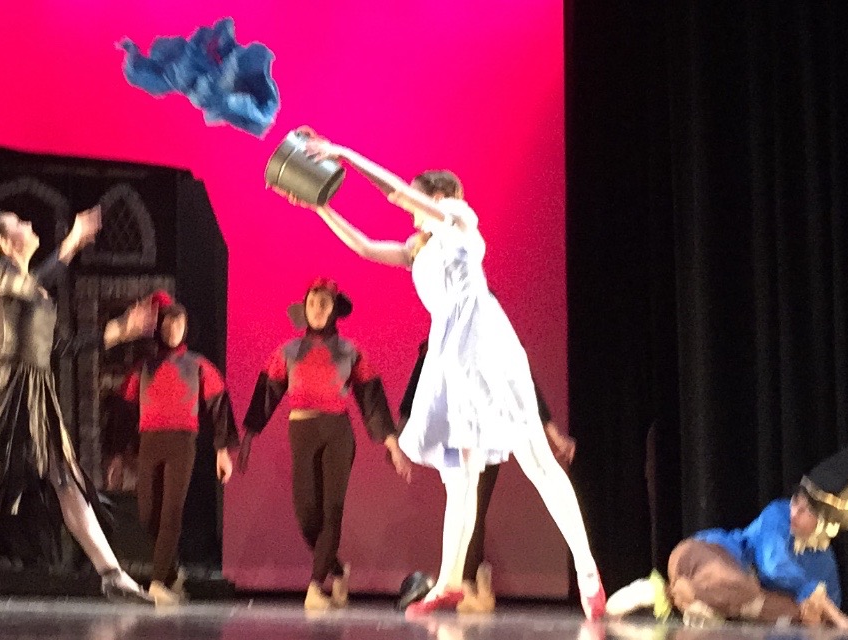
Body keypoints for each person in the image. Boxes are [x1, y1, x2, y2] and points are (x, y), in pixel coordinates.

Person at [278, 128, 604, 619]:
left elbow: (396, 193)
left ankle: (587, 571)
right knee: (461, 476)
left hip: (485, 343)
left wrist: (343, 153)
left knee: (537, 460)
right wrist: (319, 206)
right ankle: (451, 580)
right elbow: (365, 247)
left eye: (421, 197)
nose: (412, 208)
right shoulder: (419, 248)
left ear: (442, 196)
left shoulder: (461, 221)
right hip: (452, 357)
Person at [0, 206, 151, 603]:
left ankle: (112, 574)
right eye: (20, 223)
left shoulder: (33, 288)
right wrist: (71, 243)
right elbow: (30, 284)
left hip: (37, 390)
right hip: (4, 387)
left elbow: (56, 347)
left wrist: (115, 334)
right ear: (4, 242)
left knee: (66, 479)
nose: (30, 225)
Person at [238, 278, 410, 610]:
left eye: (324, 303)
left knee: (332, 510)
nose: (317, 309)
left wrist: (392, 444)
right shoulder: (288, 352)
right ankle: (338, 570)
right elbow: (266, 396)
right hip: (302, 431)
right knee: (307, 514)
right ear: (304, 308)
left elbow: (372, 400)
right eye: (312, 303)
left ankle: (316, 586)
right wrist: (248, 438)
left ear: (334, 310)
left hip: (337, 432)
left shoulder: (351, 351)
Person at [398, 337, 576, 613]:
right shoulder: (440, 340)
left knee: (476, 502)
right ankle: (462, 579)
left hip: (486, 435)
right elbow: (415, 392)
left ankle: (468, 580)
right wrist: (400, 439)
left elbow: (526, 391)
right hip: (452, 437)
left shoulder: (494, 340)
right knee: (458, 501)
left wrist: (553, 433)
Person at [606, 444, 848, 631]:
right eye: (796, 501)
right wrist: (812, 593)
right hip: (704, 557)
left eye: (807, 510)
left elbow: (821, 614)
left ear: (826, 524)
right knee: (742, 586)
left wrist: (817, 610)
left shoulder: (825, 564)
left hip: (743, 603)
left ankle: (708, 608)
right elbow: (772, 566)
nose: (794, 511)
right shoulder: (777, 514)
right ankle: (666, 593)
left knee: (793, 611)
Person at [119, 292, 238, 605]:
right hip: (149, 441)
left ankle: (159, 582)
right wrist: (120, 453)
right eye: (168, 323)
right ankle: (172, 573)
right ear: (159, 327)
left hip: (182, 443)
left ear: (186, 328)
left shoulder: (198, 365)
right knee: (148, 514)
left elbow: (219, 408)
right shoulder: (144, 367)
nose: (173, 329)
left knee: (172, 511)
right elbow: (123, 410)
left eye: (179, 323)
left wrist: (222, 451)